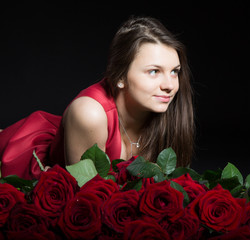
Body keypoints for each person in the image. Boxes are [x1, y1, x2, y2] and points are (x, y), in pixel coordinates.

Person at [0, 16, 195, 180]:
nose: (169, 85)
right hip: (21, 163)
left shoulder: (167, 114)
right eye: (154, 71)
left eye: (174, 72)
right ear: (120, 77)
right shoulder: (89, 113)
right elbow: (87, 201)